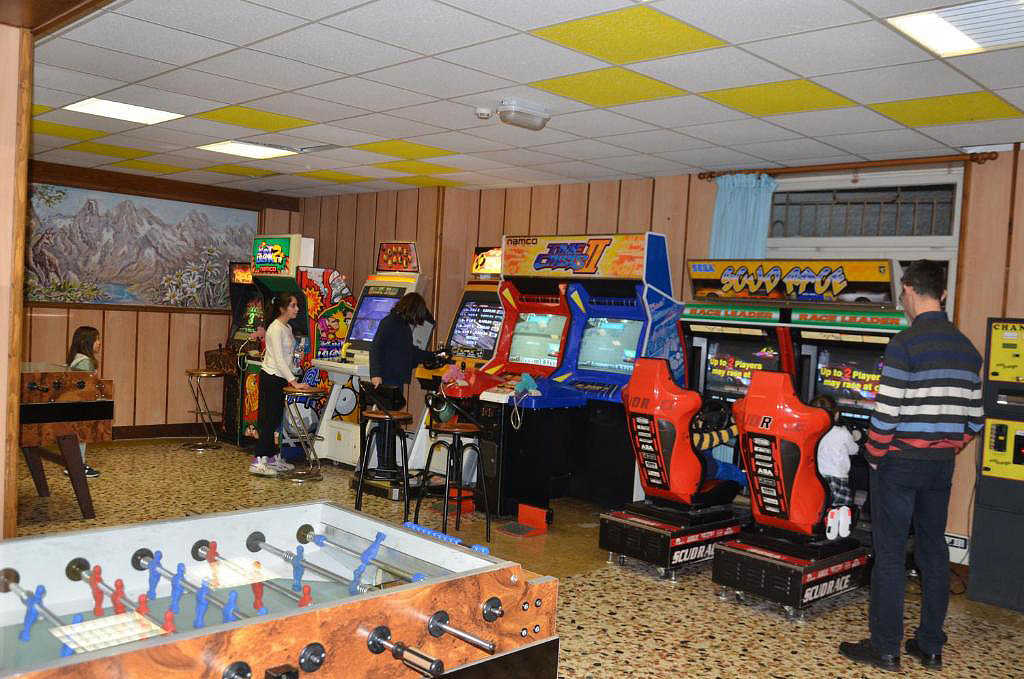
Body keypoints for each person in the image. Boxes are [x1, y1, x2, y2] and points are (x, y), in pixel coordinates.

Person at [839, 260, 983, 672]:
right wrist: (947, 446)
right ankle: (930, 646)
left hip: (898, 463)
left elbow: (886, 416)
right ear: (943, 294)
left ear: (907, 290)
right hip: (940, 466)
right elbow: (975, 420)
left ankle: (885, 648)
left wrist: (873, 456)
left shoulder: (904, 344)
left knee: (889, 554)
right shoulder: (968, 349)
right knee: (933, 553)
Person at [367, 293, 442, 468]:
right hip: (387, 380)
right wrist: (375, 374)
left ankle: (387, 464)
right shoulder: (393, 323)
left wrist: (431, 356)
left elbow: (408, 352)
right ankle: (385, 465)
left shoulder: (397, 323)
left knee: (388, 424)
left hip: (392, 378)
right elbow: (375, 348)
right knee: (387, 423)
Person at [250, 293, 311, 477]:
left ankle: (271, 458)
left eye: (297, 305)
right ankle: (258, 460)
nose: (297, 309)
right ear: (282, 308)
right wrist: (294, 382)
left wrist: (296, 369)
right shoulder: (275, 328)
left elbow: (287, 357)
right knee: (268, 420)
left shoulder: (287, 327)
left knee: (276, 418)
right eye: (293, 305)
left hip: (280, 378)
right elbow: (278, 359)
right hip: (271, 377)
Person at [810, 393, 859, 540]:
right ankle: (837, 522)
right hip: (838, 478)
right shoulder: (842, 432)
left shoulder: (811, 432)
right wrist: (855, 437)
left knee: (820, 505)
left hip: (817, 477)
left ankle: (824, 520)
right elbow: (854, 450)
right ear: (836, 415)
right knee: (842, 505)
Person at [65, 326, 101, 478]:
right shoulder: (85, 362)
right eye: (96, 339)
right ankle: (77, 466)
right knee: (81, 435)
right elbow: (85, 386)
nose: (99, 343)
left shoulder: (76, 358)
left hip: (72, 404)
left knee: (76, 436)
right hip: (79, 404)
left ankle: (73, 465)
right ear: (85, 342)